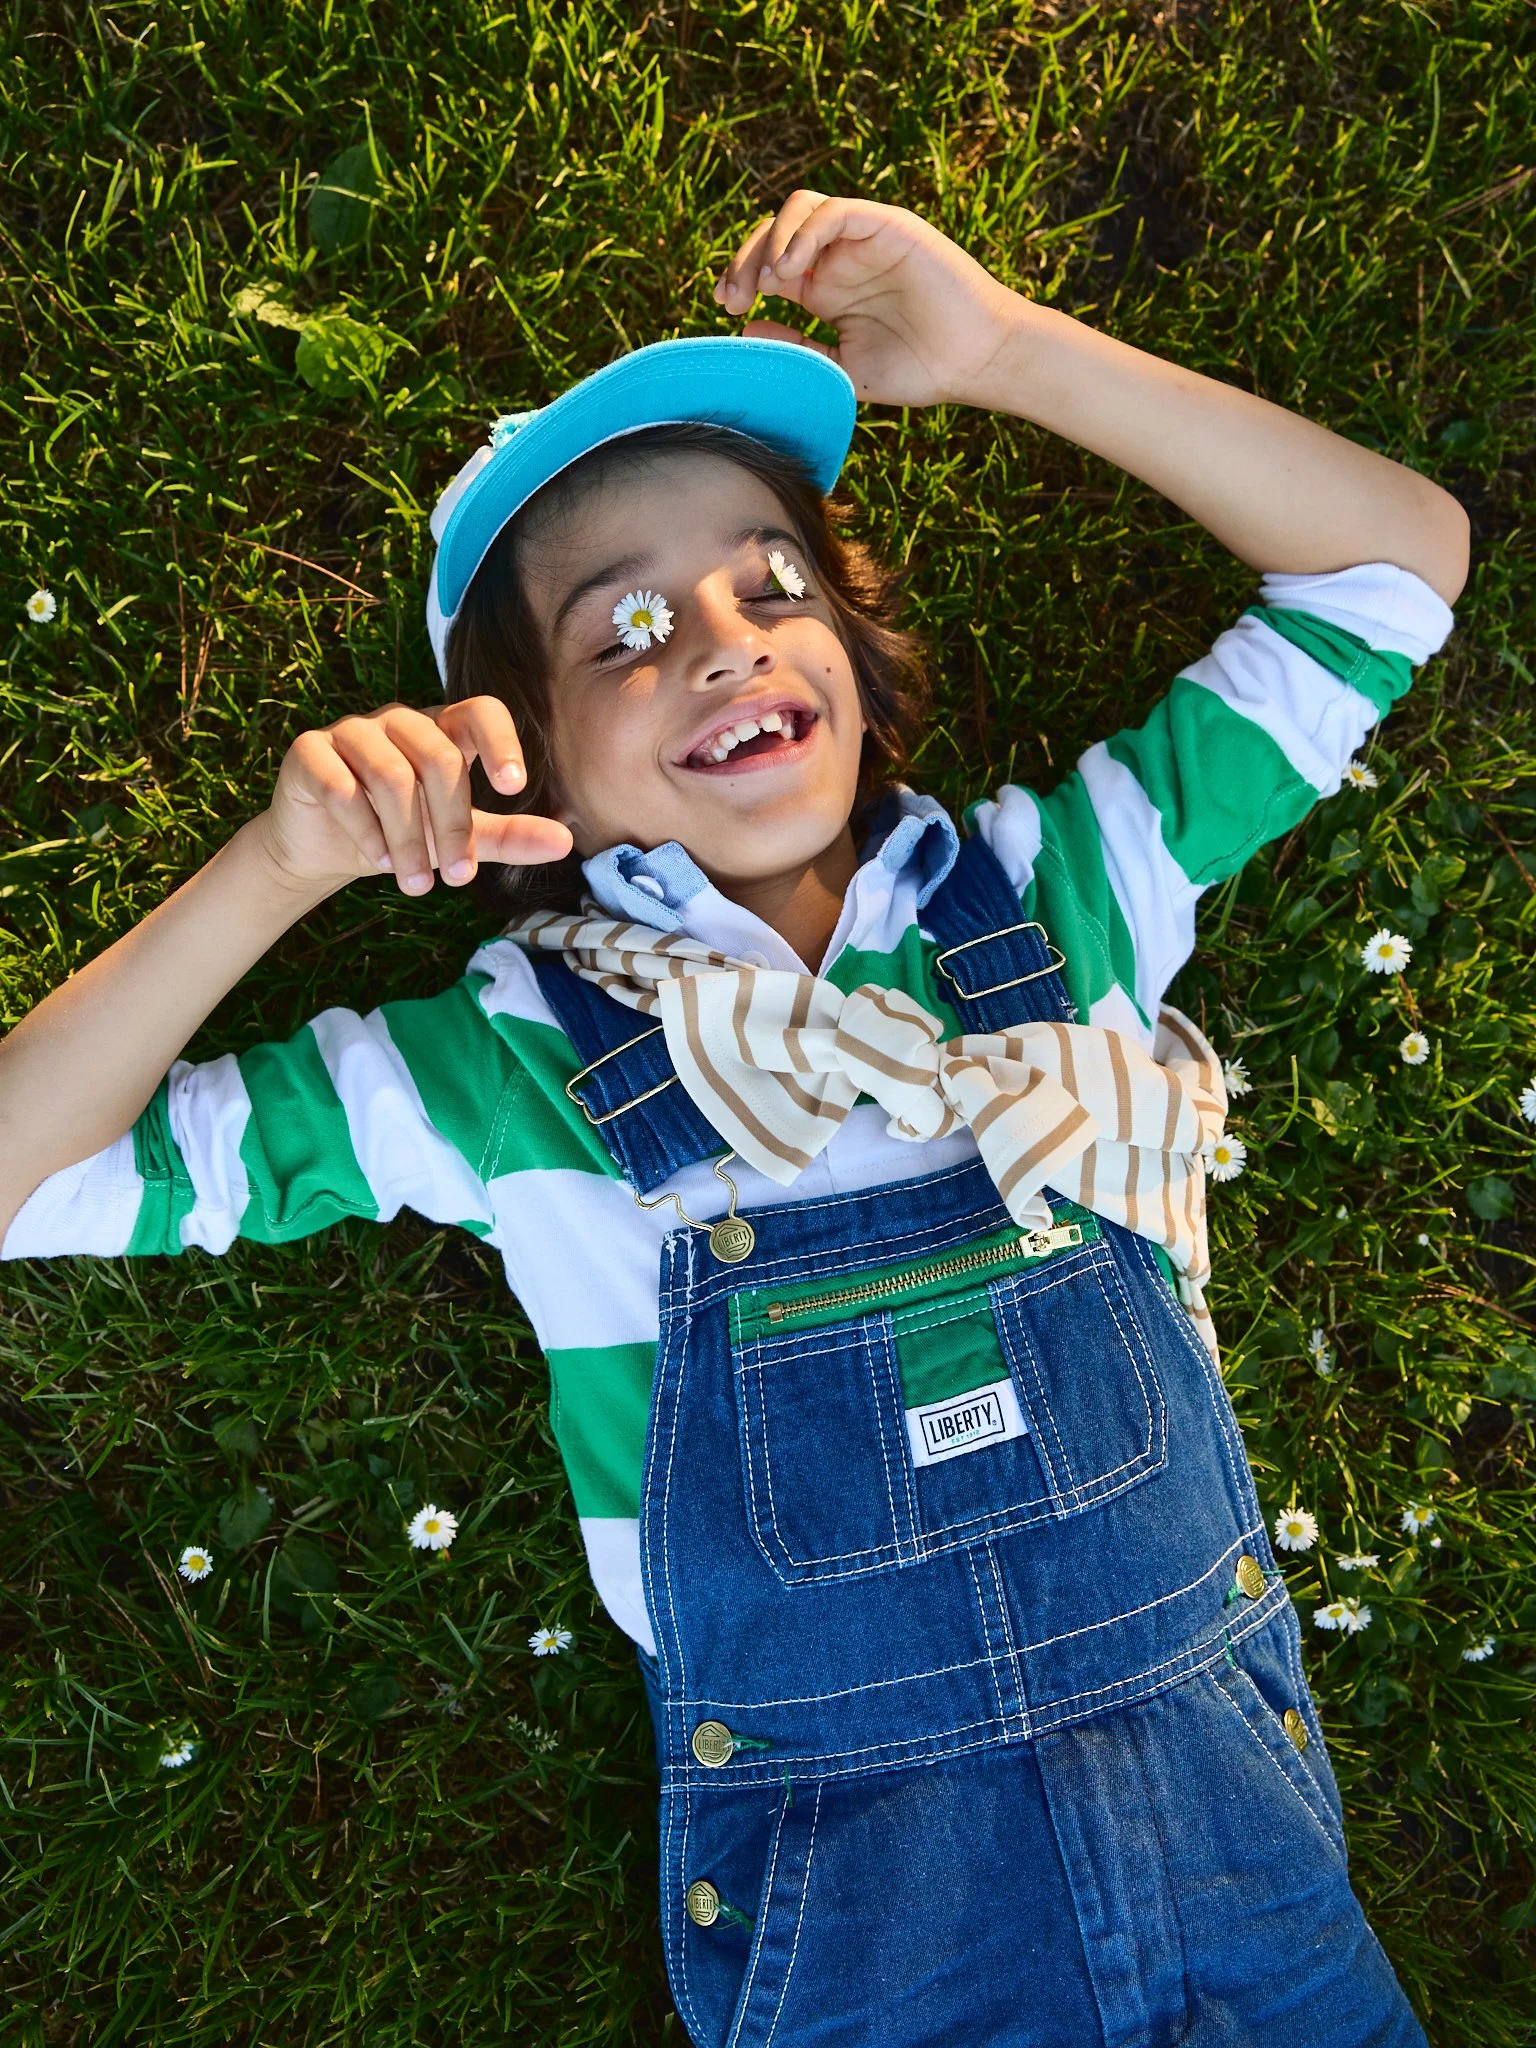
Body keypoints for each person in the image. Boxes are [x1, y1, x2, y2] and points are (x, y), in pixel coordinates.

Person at [0, 193, 1467, 2045]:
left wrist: (1009, 352)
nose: (718, 639)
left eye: (772, 585)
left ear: (853, 649)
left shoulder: (1063, 897)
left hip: (1242, 1877)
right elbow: (19, 1175)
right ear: (507, 748)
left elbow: (1395, 568)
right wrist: (280, 868)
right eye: (621, 631)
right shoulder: (503, 1074)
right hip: (870, 1937)